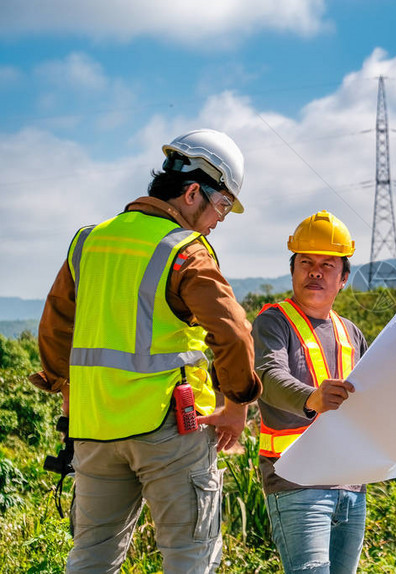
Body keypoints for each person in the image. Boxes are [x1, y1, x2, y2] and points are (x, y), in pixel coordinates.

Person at [28, 128, 263, 573]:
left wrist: (67, 393)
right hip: (171, 427)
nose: (220, 220)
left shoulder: (88, 241)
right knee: (190, 558)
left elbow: (55, 328)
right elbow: (232, 332)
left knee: (91, 558)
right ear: (193, 192)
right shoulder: (185, 251)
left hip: (94, 429)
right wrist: (237, 403)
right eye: (222, 206)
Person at [253, 210, 368, 574]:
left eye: (327, 264)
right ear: (292, 271)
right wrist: (311, 398)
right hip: (296, 482)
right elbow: (268, 376)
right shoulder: (274, 321)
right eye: (306, 262)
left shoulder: (351, 332)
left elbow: (381, 393)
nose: (315, 271)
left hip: (350, 485)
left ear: (344, 278)